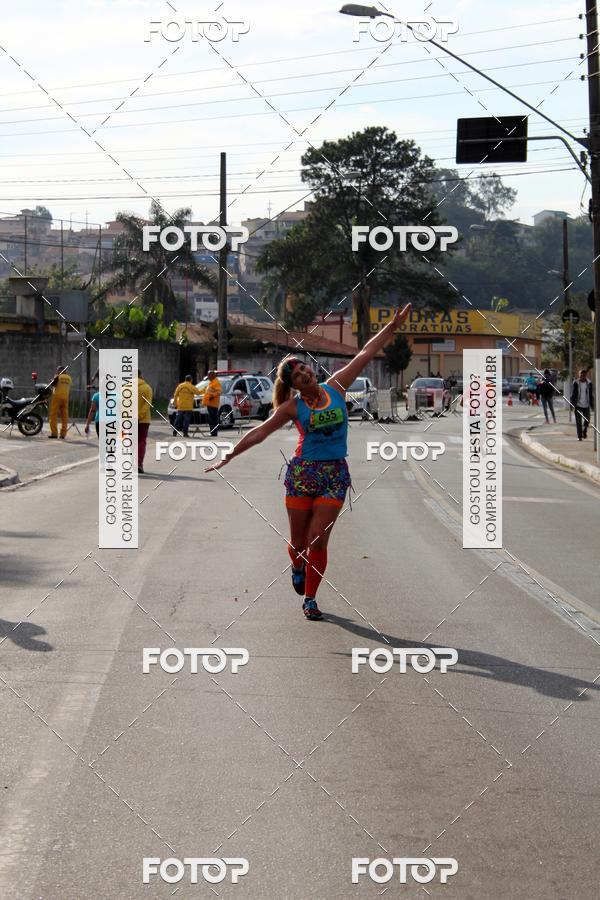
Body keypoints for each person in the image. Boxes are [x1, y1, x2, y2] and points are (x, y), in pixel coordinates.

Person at [206, 304, 412, 620]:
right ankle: (297, 563)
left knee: (318, 538)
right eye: (296, 375)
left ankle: (311, 599)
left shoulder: (338, 386)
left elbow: (366, 352)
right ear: (294, 385)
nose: (303, 373)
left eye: (303, 368)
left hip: (334, 474)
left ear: (309, 370)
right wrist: (230, 454)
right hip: (302, 474)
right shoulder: (292, 407)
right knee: (298, 543)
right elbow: (260, 433)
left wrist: (392, 327)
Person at [48, 366, 72, 439]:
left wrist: (52, 379)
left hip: (57, 397)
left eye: (57, 370)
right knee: (64, 416)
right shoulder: (69, 378)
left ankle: (54, 433)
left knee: (53, 415)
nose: (56, 372)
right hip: (65, 397)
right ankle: (63, 434)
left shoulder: (58, 377)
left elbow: (53, 384)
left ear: (60, 371)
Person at [570, 368, 594, 441]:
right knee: (578, 422)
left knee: (587, 420)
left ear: (585, 375)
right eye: (580, 375)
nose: (582, 377)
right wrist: (572, 404)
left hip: (586, 405)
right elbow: (573, 394)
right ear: (579, 375)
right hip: (578, 405)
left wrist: (592, 405)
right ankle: (579, 436)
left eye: (583, 375)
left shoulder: (589, 383)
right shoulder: (576, 383)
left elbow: (591, 394)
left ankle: (584, 431)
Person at [137, 370, 153, 473]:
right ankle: (138, 463)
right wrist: (139, 415)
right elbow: (147, 404)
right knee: (141, 441)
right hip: (143, 420)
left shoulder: (124, 388)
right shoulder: (147, 388)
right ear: (141, 375)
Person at [203, 370, 222, 437]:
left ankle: (214, 433)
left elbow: (219, 392)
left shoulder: (216, 382)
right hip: (210, 403)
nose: (208, 377)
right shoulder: (211, 382)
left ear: (212, 375)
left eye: (209, 375)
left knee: (213, 419)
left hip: (213, 403)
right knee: (211, 419)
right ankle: (212, 432)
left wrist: (212, 396)